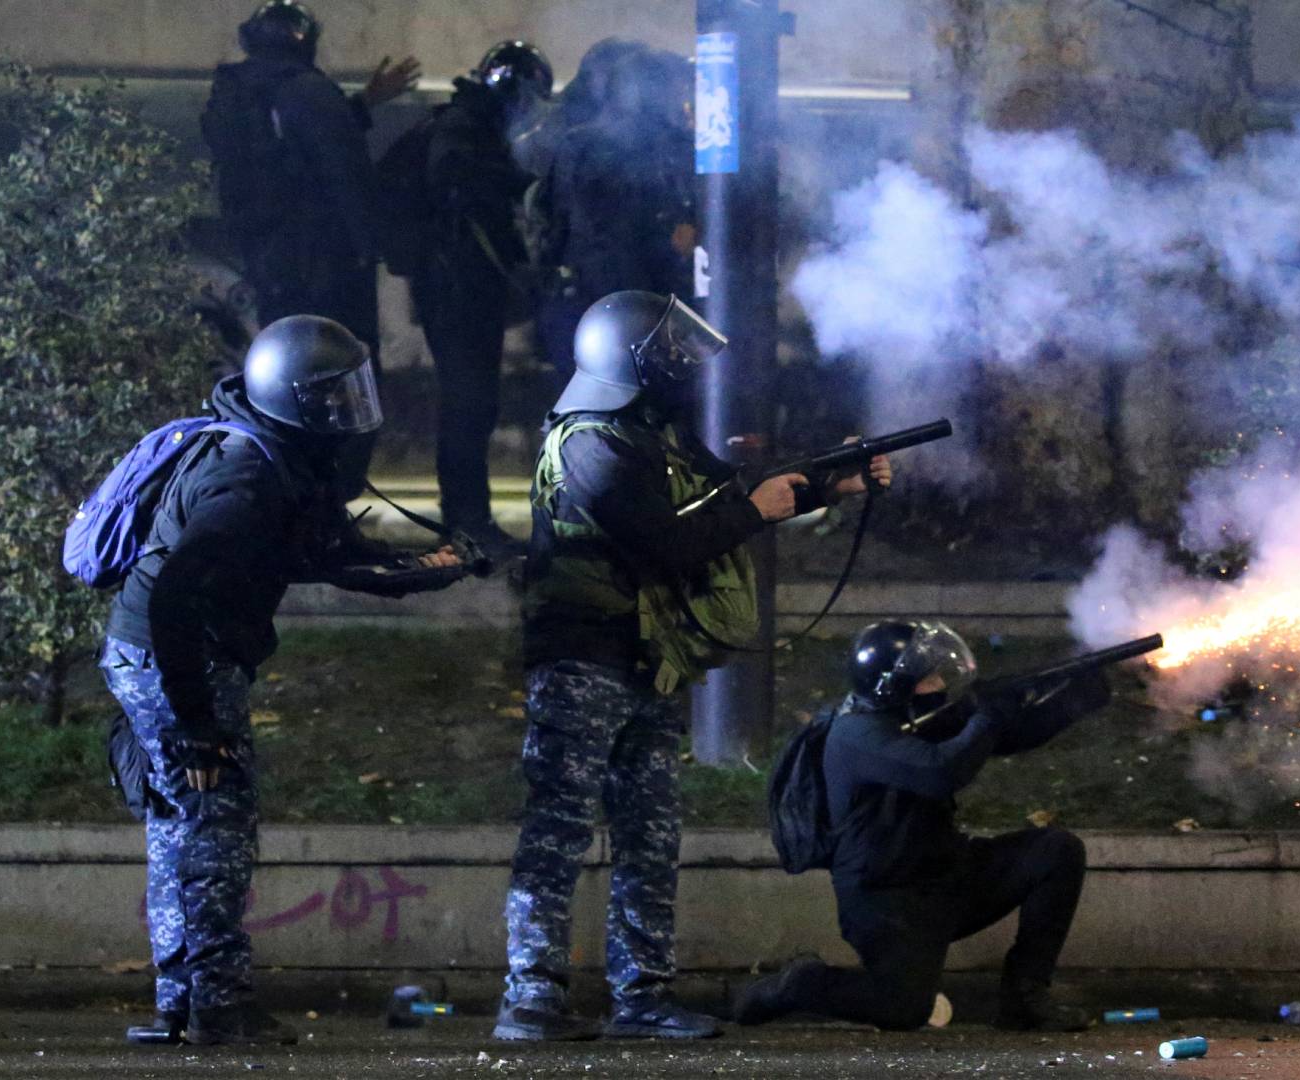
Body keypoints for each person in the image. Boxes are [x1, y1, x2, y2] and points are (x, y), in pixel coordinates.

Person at [499, 290, 891, 1041]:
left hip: (647, 661)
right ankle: (531, 999)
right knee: (557, 834)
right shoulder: (590, 443)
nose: (683, 368)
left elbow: (725, 495)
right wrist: (757, 510)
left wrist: (828, 483)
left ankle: (642, 997)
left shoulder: (651, 434)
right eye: (668, 355)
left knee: (650, 837)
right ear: (632, 363)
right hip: (582, 661)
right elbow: (669, 541)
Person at [103, 316, 468, 1047]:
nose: (346, 411)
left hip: (162, 651)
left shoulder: (277, 457)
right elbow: (175, 594)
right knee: (215, 827)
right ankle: (218, 1007)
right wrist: (196, 723)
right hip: (177, 654)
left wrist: (422, 572)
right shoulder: (244, 479)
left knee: (181, 825)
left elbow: (315, 555)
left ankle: (182, 1003)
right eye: (330, 398)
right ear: (290, 398)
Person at [733, 621, 1108, 1032]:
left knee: (1055, 852)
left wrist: (1079, 695)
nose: (939, 683)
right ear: (891, 685)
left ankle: (1025, 998)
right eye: (927, 677)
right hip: (888, 901)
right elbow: (940, 771)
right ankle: (800, 985)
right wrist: (987, 716)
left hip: (947, 873)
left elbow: (1009, 735)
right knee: (904, 1009)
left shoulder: (914, 716)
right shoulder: (857, 732)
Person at [201, 0, 420, 501]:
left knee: (289, 385)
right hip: (329, 269)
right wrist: (374, 247)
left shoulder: (238, 94)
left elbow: (288, 158)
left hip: (272, 264)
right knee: (347, 384)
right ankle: (332, 506)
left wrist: (363, 104)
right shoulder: (308, 90)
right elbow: (344, 174)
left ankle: (291, 500)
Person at [407, 41, 553, 558]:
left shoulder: (470, 124)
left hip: (462, 290)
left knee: (472, 405)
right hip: (459, 292)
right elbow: (459, 185)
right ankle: (467, 523)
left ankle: (469, 520)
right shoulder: (464, 128)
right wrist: (517, 182)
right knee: (468, 406)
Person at [534, 46, 696, 380]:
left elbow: (550, 214)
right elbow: (630, 241)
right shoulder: (647, 151)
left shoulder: (577, 142)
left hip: (578, 305)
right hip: (630, 310)